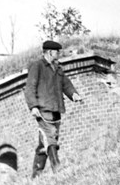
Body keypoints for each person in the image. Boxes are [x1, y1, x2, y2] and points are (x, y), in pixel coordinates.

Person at [24, 40, 82, 178]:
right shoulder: (37, 66)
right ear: (50, 52)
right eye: (57, 52)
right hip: (43, 110)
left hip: (56, 110)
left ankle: (35, 176)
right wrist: (33, 106)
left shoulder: (58, 68)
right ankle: (58, 168)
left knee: (44, 144)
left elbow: (66, 84)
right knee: (50, 139)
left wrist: (74, 95)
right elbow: (30, 88)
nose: (59, 54)